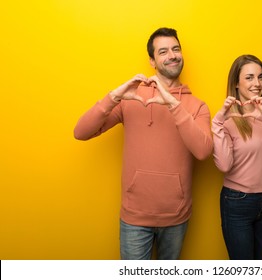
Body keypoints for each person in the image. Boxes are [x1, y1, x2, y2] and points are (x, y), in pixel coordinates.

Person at [74, 27, 213, 260]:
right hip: (135, 219)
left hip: (176, 218)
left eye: (176, 49)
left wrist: (173, 105)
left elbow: (203, 151)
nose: (172, 55)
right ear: (152, 60)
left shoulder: (197, 106)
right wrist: (113, 97)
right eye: (163, 51)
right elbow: (81, 131)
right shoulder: (132, 97)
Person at [212, 54, 262, 260]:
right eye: (249, 77)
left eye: (261, 77)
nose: (257, 83)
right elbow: (223, 165)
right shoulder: (228, 119)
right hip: (237, 201)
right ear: (236, 84)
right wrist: (217, 126)